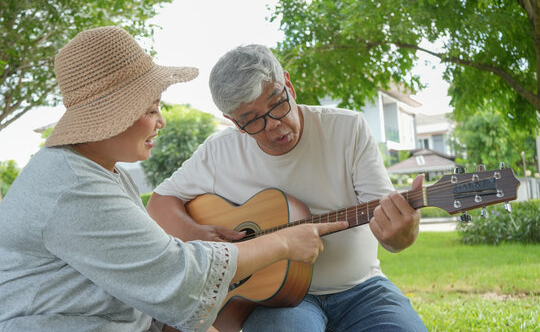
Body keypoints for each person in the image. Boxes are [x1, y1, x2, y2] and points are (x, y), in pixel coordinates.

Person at [0, 28, 348, 332]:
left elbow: (147, 273)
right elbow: (174, 273)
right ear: (115, 116)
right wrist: (283, 244)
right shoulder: (73, 186)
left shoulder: (97, 171)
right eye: (152, 109)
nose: (161, 122)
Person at [147, 44, 428, 331]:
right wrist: (199, 235)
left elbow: (391, 233)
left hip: (362, 289)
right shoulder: (219, 152)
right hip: (278, 301)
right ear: (235, 123)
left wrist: (401, 236)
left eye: (277, 104)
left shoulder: (348, 129)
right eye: (253, 120)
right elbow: (160, 201)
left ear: (289, 87)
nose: (274, 125)